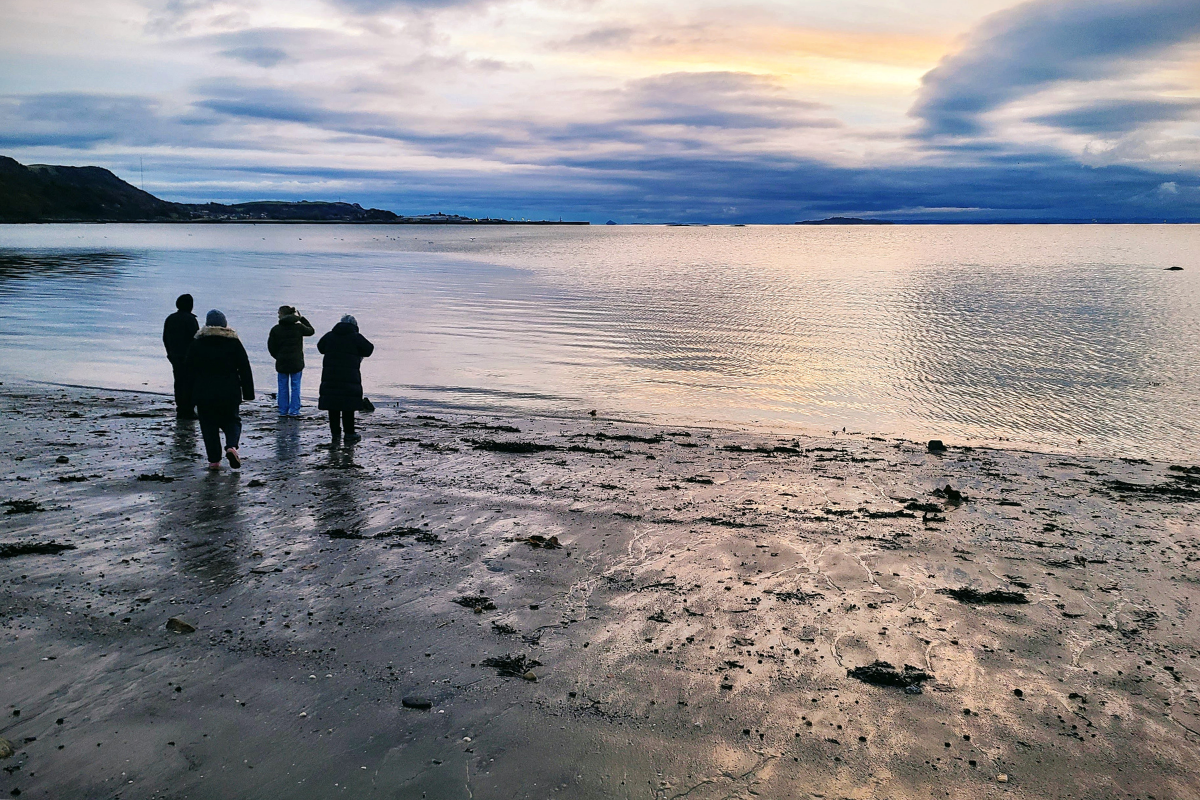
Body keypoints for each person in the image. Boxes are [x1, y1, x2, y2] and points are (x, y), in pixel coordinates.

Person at [186, 310, 254, 470]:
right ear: (225, 324)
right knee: (232, 421)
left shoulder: (197, 343)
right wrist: (248, 393)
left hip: (204, 392)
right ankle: (231, 446)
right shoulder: (233, 342)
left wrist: (188, 395)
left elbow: (188, 370)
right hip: (229, 391)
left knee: (208, 426)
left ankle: (214, 461)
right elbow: (244, 367)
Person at [317, 314, 374, 444]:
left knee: (333, 406)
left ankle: (335, 433)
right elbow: (369, 349)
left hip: (330, 376)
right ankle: (349, 433)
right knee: (348, 405)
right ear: (355, 325)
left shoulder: (329, 336)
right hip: (349, 377)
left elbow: (320, 348)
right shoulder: (356, 337)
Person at [266, 305, 315, 418]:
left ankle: (283, 410)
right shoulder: (298, 327)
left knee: (282, 387)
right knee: (296, 386)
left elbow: (271, 347)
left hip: (282, 361)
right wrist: (302, 318)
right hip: (296, 361)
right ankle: (294, 411)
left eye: (279, 313)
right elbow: (311, 331)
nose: (278, 315)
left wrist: (277, 357)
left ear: (282, 314)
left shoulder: (276, 329)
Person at [162, 294, 199, 419]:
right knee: (190, 383)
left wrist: (169, 353)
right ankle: (188, 409)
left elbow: (165, 338)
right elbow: (196, 340)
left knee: (179, 382)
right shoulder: (191, 320)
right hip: (188, 358)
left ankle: (181, 408)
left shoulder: (170, 318)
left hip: (175, 356)